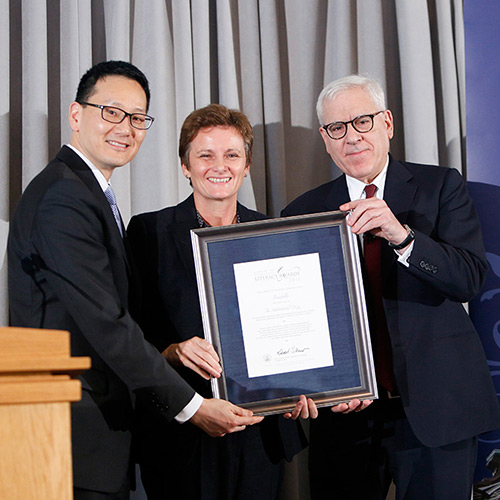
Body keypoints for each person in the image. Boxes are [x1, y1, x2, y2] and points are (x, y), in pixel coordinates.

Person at [7, 61, 262, 500]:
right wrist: (193, 406)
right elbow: (108, 323)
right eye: (111, 111)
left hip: (87, 434)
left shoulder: (86, 192)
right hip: (67, 435)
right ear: (75, 114)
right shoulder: (65, 197)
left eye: (137, 118)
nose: (125, 127)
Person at [281, 74, 500, 500]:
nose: (352, 137)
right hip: (345, 414)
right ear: (326, 140)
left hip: (437, 408)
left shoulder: (440, 186)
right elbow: (298, 314)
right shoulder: (303, 211)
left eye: (362, 121)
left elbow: (469, 279)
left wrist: (402, 236)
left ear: (387, 123)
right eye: (337, 128)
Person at [127, 103, 309, 500]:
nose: (219, 166)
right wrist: (173, 351)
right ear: (185, 166)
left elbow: (295, 323)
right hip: (183, 431)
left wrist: (306, 384)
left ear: (246, 166)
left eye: (231, 155)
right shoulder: (148, 232)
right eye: (205, 155)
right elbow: (127, 333)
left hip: (261, 432)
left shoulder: (275, 233)